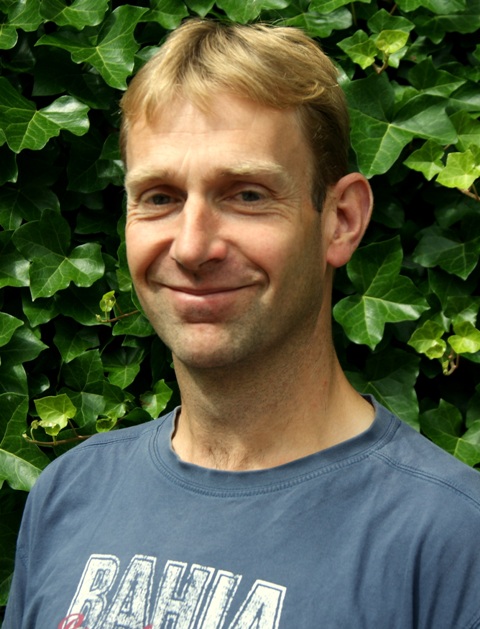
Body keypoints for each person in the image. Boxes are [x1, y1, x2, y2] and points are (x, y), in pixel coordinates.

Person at [4, 19, 480, 629]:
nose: (192, 247)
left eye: (247, 195)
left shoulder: (450, 540)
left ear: (341, 220)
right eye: (159, 197)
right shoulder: (70, 492)